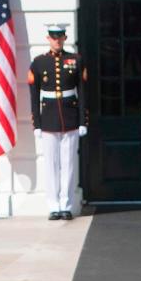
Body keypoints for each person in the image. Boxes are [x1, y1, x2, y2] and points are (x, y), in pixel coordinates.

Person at [28, 24, 88, 221]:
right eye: (54, 37)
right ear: (48, 38)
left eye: (60, 37)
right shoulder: (38, 63)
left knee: (69, 163)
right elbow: (34, 95)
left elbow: (83, 93)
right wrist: (36, 123)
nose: (57, 41)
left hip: (70, 117)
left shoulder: (76, 60)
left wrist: (82, 121)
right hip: (48, 118)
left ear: (64, 38)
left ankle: (66, 205)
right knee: (51, 165)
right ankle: (53, 205)